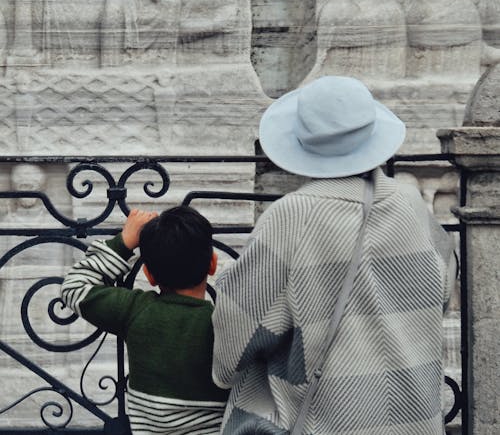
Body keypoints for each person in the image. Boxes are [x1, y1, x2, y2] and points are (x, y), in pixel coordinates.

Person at [212, 75, 456, 435]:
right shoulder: (411, 204)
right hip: (415, 422)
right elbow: (443, 295)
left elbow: (236, 340)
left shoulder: (291, 216)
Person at [61, 206, 229, 435]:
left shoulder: (136, 310)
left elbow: (74, 287)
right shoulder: (227, 322)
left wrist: (124, 242)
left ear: (148, 275)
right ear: (212, 264)